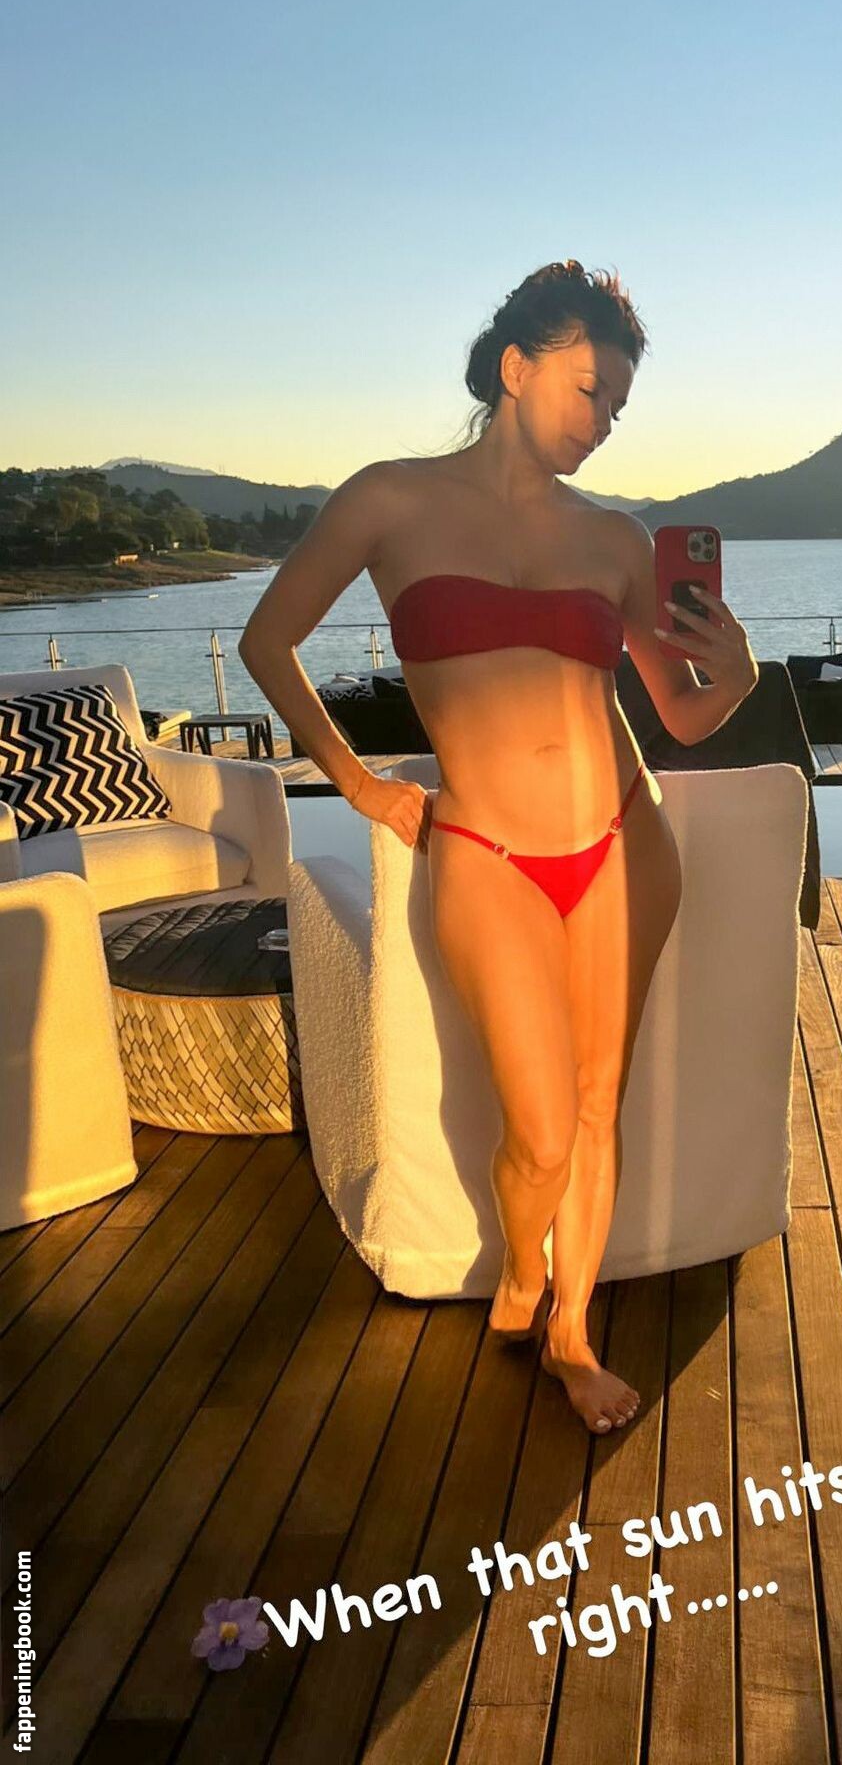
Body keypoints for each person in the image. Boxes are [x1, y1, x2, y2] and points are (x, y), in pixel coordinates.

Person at [239, 260, 758, 1434]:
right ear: (517, 368)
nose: (602, 420)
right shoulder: (388, 501)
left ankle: (568, 1332)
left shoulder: (616, 538)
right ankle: (524, 1271)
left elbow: (681, 716)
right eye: (588, 389)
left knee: (597, 1105)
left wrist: (734, 677)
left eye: (618, 404)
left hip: (623, 840)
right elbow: (269, 640)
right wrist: (361, 785)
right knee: (537, 1131)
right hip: (487, 851)